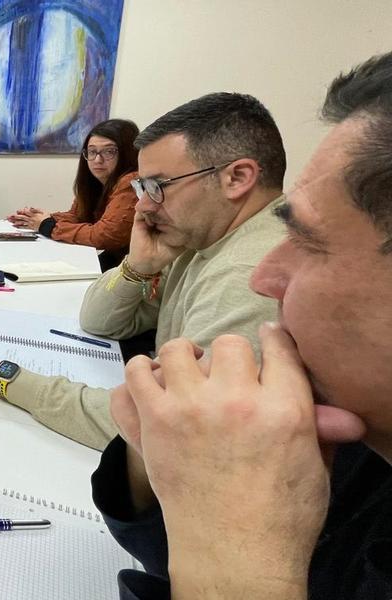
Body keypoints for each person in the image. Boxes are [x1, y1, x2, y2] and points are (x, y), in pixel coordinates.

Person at [95, 52, 392, 600]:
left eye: (307, 239)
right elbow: (170, 558)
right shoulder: (193, 244)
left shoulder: (236, 275)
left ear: (237, 176)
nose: (266, 277)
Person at [0, 93, 287, 450]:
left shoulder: (249, 276)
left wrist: (3, 378)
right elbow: (98, 321)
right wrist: (136, 267)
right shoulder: (201, 242)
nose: (144, 205)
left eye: (158, 187)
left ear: (237, 178)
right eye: (141, 188)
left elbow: (160, 429)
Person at [8, 119, 140, 270]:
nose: (97, 159)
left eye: (109, 151)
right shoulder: (96, 182)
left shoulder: (132, 181)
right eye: (92, 151)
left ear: (127, 153)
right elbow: (78, 216)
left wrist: (47, 226)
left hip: (136, 270)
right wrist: (35, 218)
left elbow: (104, 236)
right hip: (116, 260)